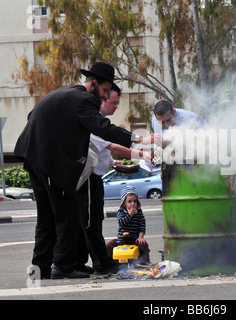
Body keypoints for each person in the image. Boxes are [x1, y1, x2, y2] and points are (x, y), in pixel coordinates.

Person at [14, 62, 146, 280]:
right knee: (66, 213)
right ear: (93, 83)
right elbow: (102, 128)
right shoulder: (84, 99)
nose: (103, 98)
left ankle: (42, 268)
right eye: (104, 91)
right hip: (46, 162)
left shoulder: (65, 94)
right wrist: (138, 139)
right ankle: (63, 266)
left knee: (46, 217)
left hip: (34, 158)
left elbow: (33, 116)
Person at [76, 88, 154, 275]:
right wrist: (141, 152)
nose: (115, 107)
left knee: (94, 220)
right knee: (89, 222)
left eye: (118, 103)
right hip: (87, 178)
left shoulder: (100, 123)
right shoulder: (93, 122)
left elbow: (99, 150)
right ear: (101, 100)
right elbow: (112, 144)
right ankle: (99, 264)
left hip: (95, 177)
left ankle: (92, 262)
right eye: (112, 102)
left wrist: (111, 162)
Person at [106, 186, 150, 266]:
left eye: (135, 201)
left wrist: (140, 237)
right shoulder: (121, 212)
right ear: (124, 203)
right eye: (129, 201)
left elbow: (142, 225)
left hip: (134, 239)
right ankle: (111, 263)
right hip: (122, 239)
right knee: (109, 245)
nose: (133, 204)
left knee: (143, 245)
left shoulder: (139, 212)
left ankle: (144, 262)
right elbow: (122, 223)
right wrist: (130, 214)